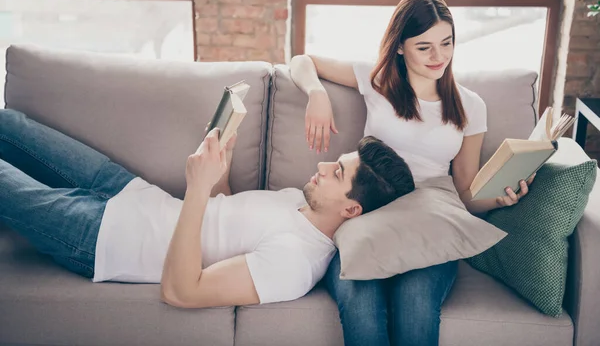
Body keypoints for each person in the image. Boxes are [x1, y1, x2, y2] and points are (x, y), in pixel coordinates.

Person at [289, 0, 535, 346]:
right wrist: (317, 93)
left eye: (446, 43)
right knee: (361, 303)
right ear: (400, 47)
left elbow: (465, 191)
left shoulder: (470, 105)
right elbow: (302, 60)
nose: (439, 57)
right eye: (425, 47)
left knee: (416, 303)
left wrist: (499, 199)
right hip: (371, 209)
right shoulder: (377, 81)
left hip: (431, 218)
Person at [0, 108, 415, 309]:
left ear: (351, 210)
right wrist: (220, 170)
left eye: (338, 173)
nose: (323, 167)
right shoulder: (300, 200)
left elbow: (182, 291)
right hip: (127, 191)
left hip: (99, 238)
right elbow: (224, 219)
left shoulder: (295, 263)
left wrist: (196, 187)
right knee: (10, 124)